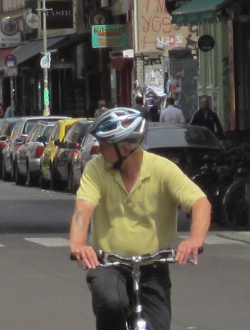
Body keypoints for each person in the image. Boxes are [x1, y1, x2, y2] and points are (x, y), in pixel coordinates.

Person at [69, 108, 210, 330]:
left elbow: (200, 203)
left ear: (125, 149)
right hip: (108, 264)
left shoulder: (162, 169)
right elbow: (83, 209)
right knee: (112, 303)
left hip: (153, 267)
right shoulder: (96, 169)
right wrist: (78, 244)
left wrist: (195, 239)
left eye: (105, 145)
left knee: (159, 325)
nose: (100, 150)